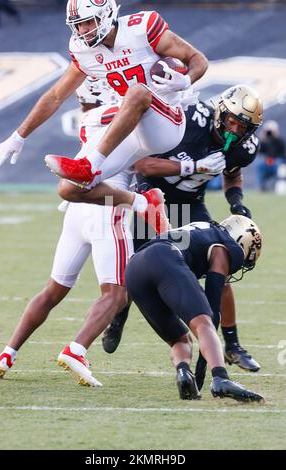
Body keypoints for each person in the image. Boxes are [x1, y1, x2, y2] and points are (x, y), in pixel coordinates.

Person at [0, 77, 166, 386]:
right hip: (107, 204)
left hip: (75, 212)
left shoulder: (88, 120)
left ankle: (7, 353)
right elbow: (147, 157)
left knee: (54, 289)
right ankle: (77, 350)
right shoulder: (122, 112)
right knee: (117, 294)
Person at [103, 84, 263, 378]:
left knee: (222, 266)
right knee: (136, 271)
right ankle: (118, 317)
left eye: (242, 127)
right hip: (154, 199)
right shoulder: (188, 120)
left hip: (191, 205)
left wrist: (235, 200)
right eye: (231, 121)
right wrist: (195, 167)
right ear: (220, 112)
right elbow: (143, 165)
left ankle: (232, 344)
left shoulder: (242, 148)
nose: (234, 130)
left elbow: (233, 173)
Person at [0, 0, 208, 198]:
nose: (81, 30)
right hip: (130, 129)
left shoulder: (141, 28)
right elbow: (56, 96)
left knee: (137, 92)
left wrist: (186, 81)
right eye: (77, 25)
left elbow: (198, 59)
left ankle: (90, 165)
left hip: (166, 122)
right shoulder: (83, 51)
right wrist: (19, 136)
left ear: (106, 15)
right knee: (69, 189)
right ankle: (142, 203)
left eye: (87, 22)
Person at [125, 215, 264, 402]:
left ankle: (184, 374)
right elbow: (212, 310)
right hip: (164, 257)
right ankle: (221, 379)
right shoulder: (223, 247)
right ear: (241, 241)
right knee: (203, 323)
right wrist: (205, 370)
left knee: (180, 340)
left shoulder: (204, 228)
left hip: (134, 269)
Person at [257, 120, 285, 191]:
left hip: (278, 161)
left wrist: (276, 137)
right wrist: (262, 139)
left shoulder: (280, 141)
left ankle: (276, 187)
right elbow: (259, 151)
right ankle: (262, 187)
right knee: (259, 165)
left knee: (277, 164)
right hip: (267, 161)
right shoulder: (265, 141)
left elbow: (284, 154)